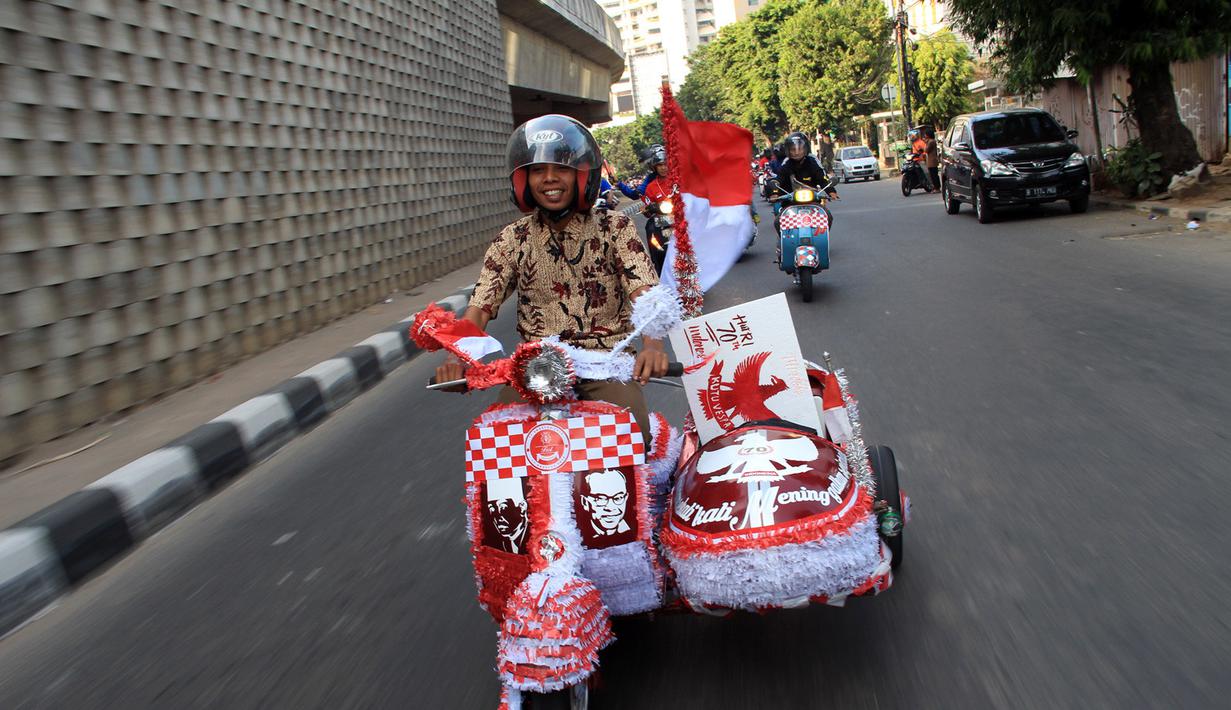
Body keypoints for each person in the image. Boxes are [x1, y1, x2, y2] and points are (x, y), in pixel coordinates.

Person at [434, 115, 669, 447]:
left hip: (605, 364)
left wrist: (653, 346)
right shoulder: (512, 239)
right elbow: (480, 306)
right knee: (495, 441)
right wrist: (456, 359)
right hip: (536, 371)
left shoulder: (614, 228)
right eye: (538, 171)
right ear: (523, 180)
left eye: (561, 168)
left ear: (581, 175)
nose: (549, 179)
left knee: (632, 436)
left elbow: (645, 291)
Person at [774, 132, 840, 200]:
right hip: (789, 201)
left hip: (812, 200)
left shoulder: (812, 162)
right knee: (778, 208)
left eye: (800, 149)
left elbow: (822, 179)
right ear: (788, 150)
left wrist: (831, 192)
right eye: (793, 149)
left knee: (823, 210)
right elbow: (779, 178)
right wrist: (774, 193)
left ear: (806, 148)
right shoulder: (786, 164)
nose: (797, 152)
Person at [580, 469, 632, 538]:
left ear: (626, 498)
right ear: (585, 502)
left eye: (618, 498)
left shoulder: (633, 532)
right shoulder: (577, 536)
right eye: (601, 499)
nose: (610, 508)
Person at [924, 127, 940, 192]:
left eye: (925, 134)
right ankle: (936, 187)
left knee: (934, 175)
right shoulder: (931, 141)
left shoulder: (931, 142)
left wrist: (925, 142)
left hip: (932, 161)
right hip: (931, 161)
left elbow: (926, 150)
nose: (925, 136)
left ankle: (937, 188)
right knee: (933, 175)